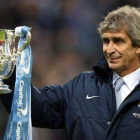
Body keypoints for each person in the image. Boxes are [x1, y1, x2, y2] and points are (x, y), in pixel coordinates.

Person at [1, 5, 140, 140]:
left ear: (138, 46)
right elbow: (35, 107)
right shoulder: (82, 86)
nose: (109, 49)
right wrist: (7, 72)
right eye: (106, 41)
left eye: (118, 41)